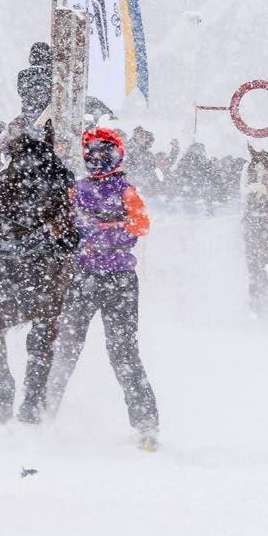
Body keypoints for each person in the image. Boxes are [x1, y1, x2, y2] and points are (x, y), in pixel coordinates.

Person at [44, 127, 160, 449]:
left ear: (116, 155)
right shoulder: (76, 190)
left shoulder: (126, 190)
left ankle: (146, 425)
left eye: (103, 153)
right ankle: (44, 414)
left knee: (123, 352)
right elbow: (62, 226)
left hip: (119, 280)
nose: (96, 159)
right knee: (65, 348)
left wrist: (103, 232)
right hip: (83, 276)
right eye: (91, 153)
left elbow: (141, 225)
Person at [16, 41, 52, 123]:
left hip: (28, 114)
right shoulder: (52, 74)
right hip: (47, 115)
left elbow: (21, 92)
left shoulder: (23, 74)